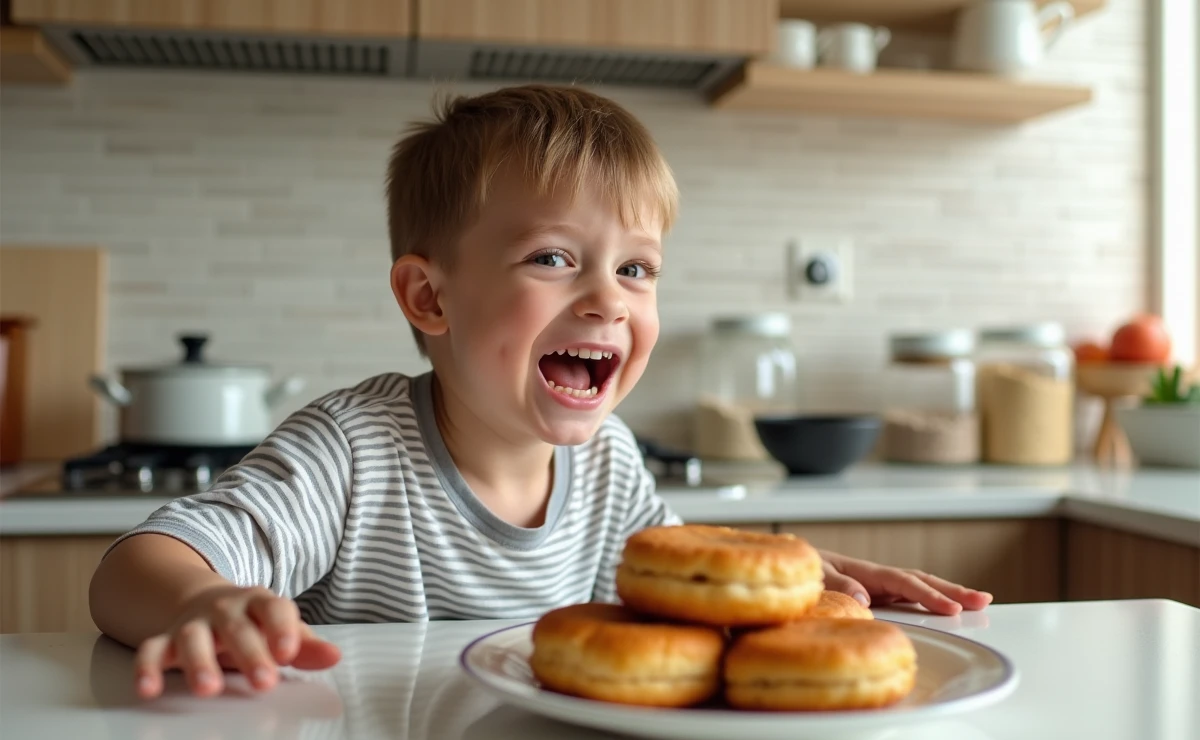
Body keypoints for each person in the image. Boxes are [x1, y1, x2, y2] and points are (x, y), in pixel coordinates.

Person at [89, 85, 992, 701]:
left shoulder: (610, 463)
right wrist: (203, 604)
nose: (608, 299)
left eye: (637, 269)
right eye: (554, 259)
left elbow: (686, 593)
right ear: (429, 296)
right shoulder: (351, 450)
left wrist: (792, 593)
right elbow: (133, 569)